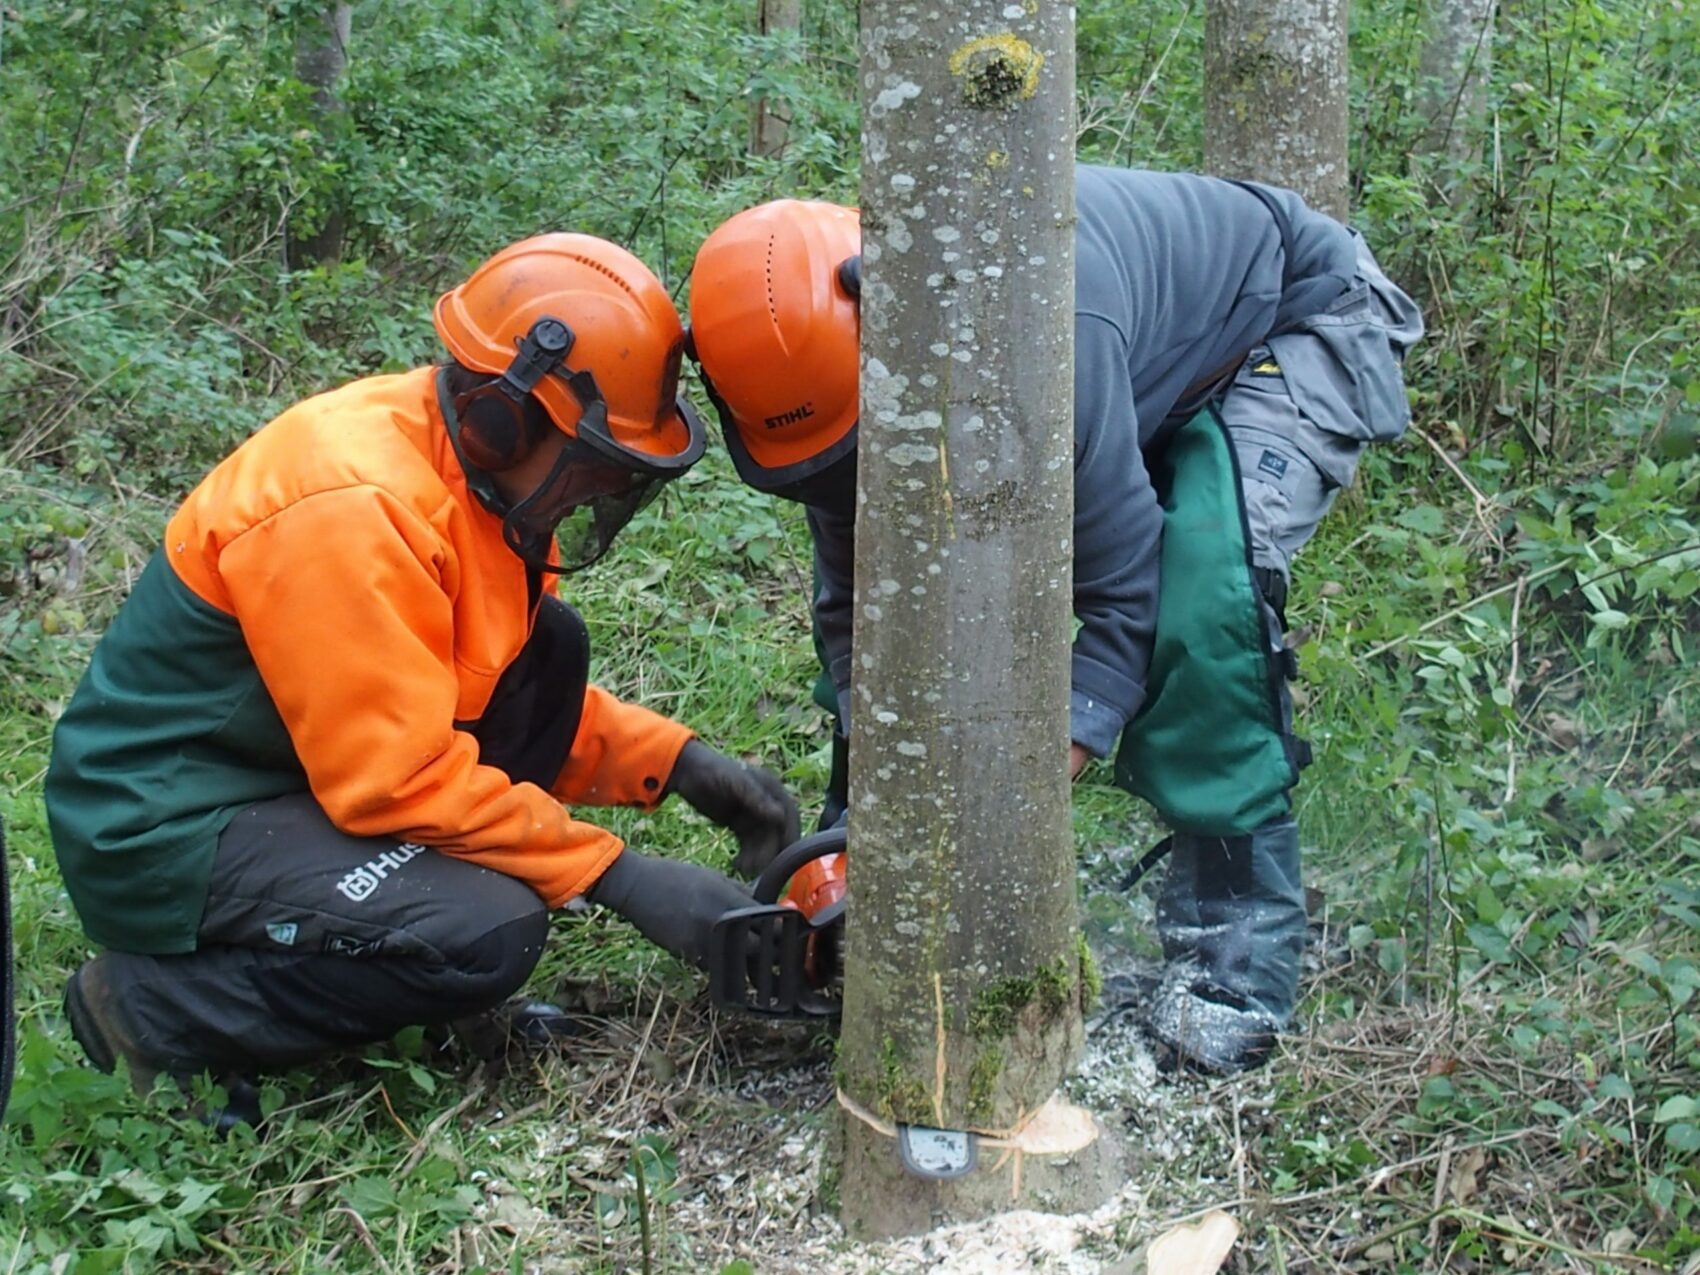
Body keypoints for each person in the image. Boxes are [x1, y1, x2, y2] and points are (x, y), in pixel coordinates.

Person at [685, 168, 1424, 1073]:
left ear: (893, 332)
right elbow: (857, 597)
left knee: (1205, 584)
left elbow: (1126, 588)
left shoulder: (1037, 332)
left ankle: (1235, 946)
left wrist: (1019, 782)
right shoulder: (818, 370)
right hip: (1139, 360)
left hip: (1289, 321)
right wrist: (874, 805)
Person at [46, 233, 799, 1120]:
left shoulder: (476, 488)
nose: (595, 496)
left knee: (549, 649)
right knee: (486, 931)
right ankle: (147, 1008)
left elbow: (459, 692)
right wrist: (621, 877)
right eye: (592, 468)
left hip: (293, 772)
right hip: (168, 821)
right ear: (501, 414)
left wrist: (679, 765)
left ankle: (368, 947)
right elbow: (395, 777)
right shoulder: (354, 508)